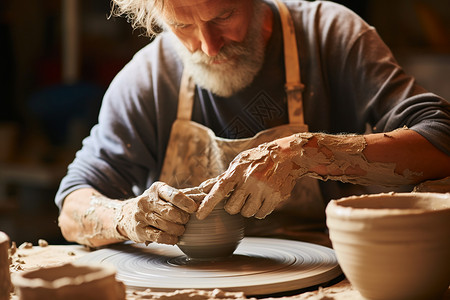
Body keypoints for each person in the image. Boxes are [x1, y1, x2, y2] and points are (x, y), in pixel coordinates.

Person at [56, 0, 450, 248]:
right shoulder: (147, 78)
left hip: (321, 272)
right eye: (183, 26)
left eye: (223, 16)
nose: (209, 47)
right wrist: (124, 217)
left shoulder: (330, 36)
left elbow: (440, 136)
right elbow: (73, 205)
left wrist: (306, 153)